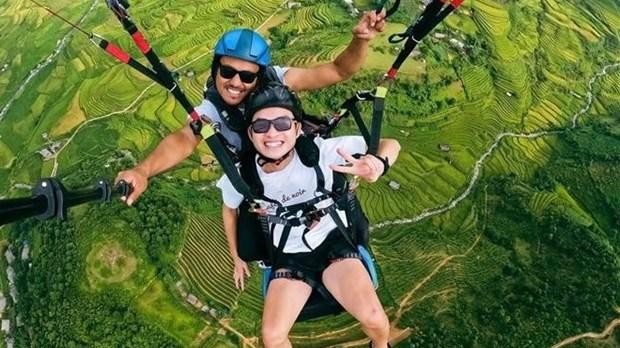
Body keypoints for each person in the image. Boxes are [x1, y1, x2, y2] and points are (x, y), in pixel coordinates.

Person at [116, 10, 387, 205]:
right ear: (216, 70)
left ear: (259, 76)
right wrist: (143, 170)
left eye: (247, 76)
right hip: (262, 182)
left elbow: (338, 70)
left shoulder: (277, 79)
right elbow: (184, 139)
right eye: (227, 72)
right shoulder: (213, 109)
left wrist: (361, 40)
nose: (235, 83)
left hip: (303, 162)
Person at [217, 83, 400, 348]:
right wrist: (236, 257)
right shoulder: (242, 175)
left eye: (282, 123)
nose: (271, 133)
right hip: (290, 257)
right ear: (251, 133)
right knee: (272, 337)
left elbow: (389, 144)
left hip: (334, 243)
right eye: (261, 126)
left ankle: (380, 345)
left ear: (296, 127)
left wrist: (377, 163)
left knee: (376, 319)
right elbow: (229, 209)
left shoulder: (324, 152)